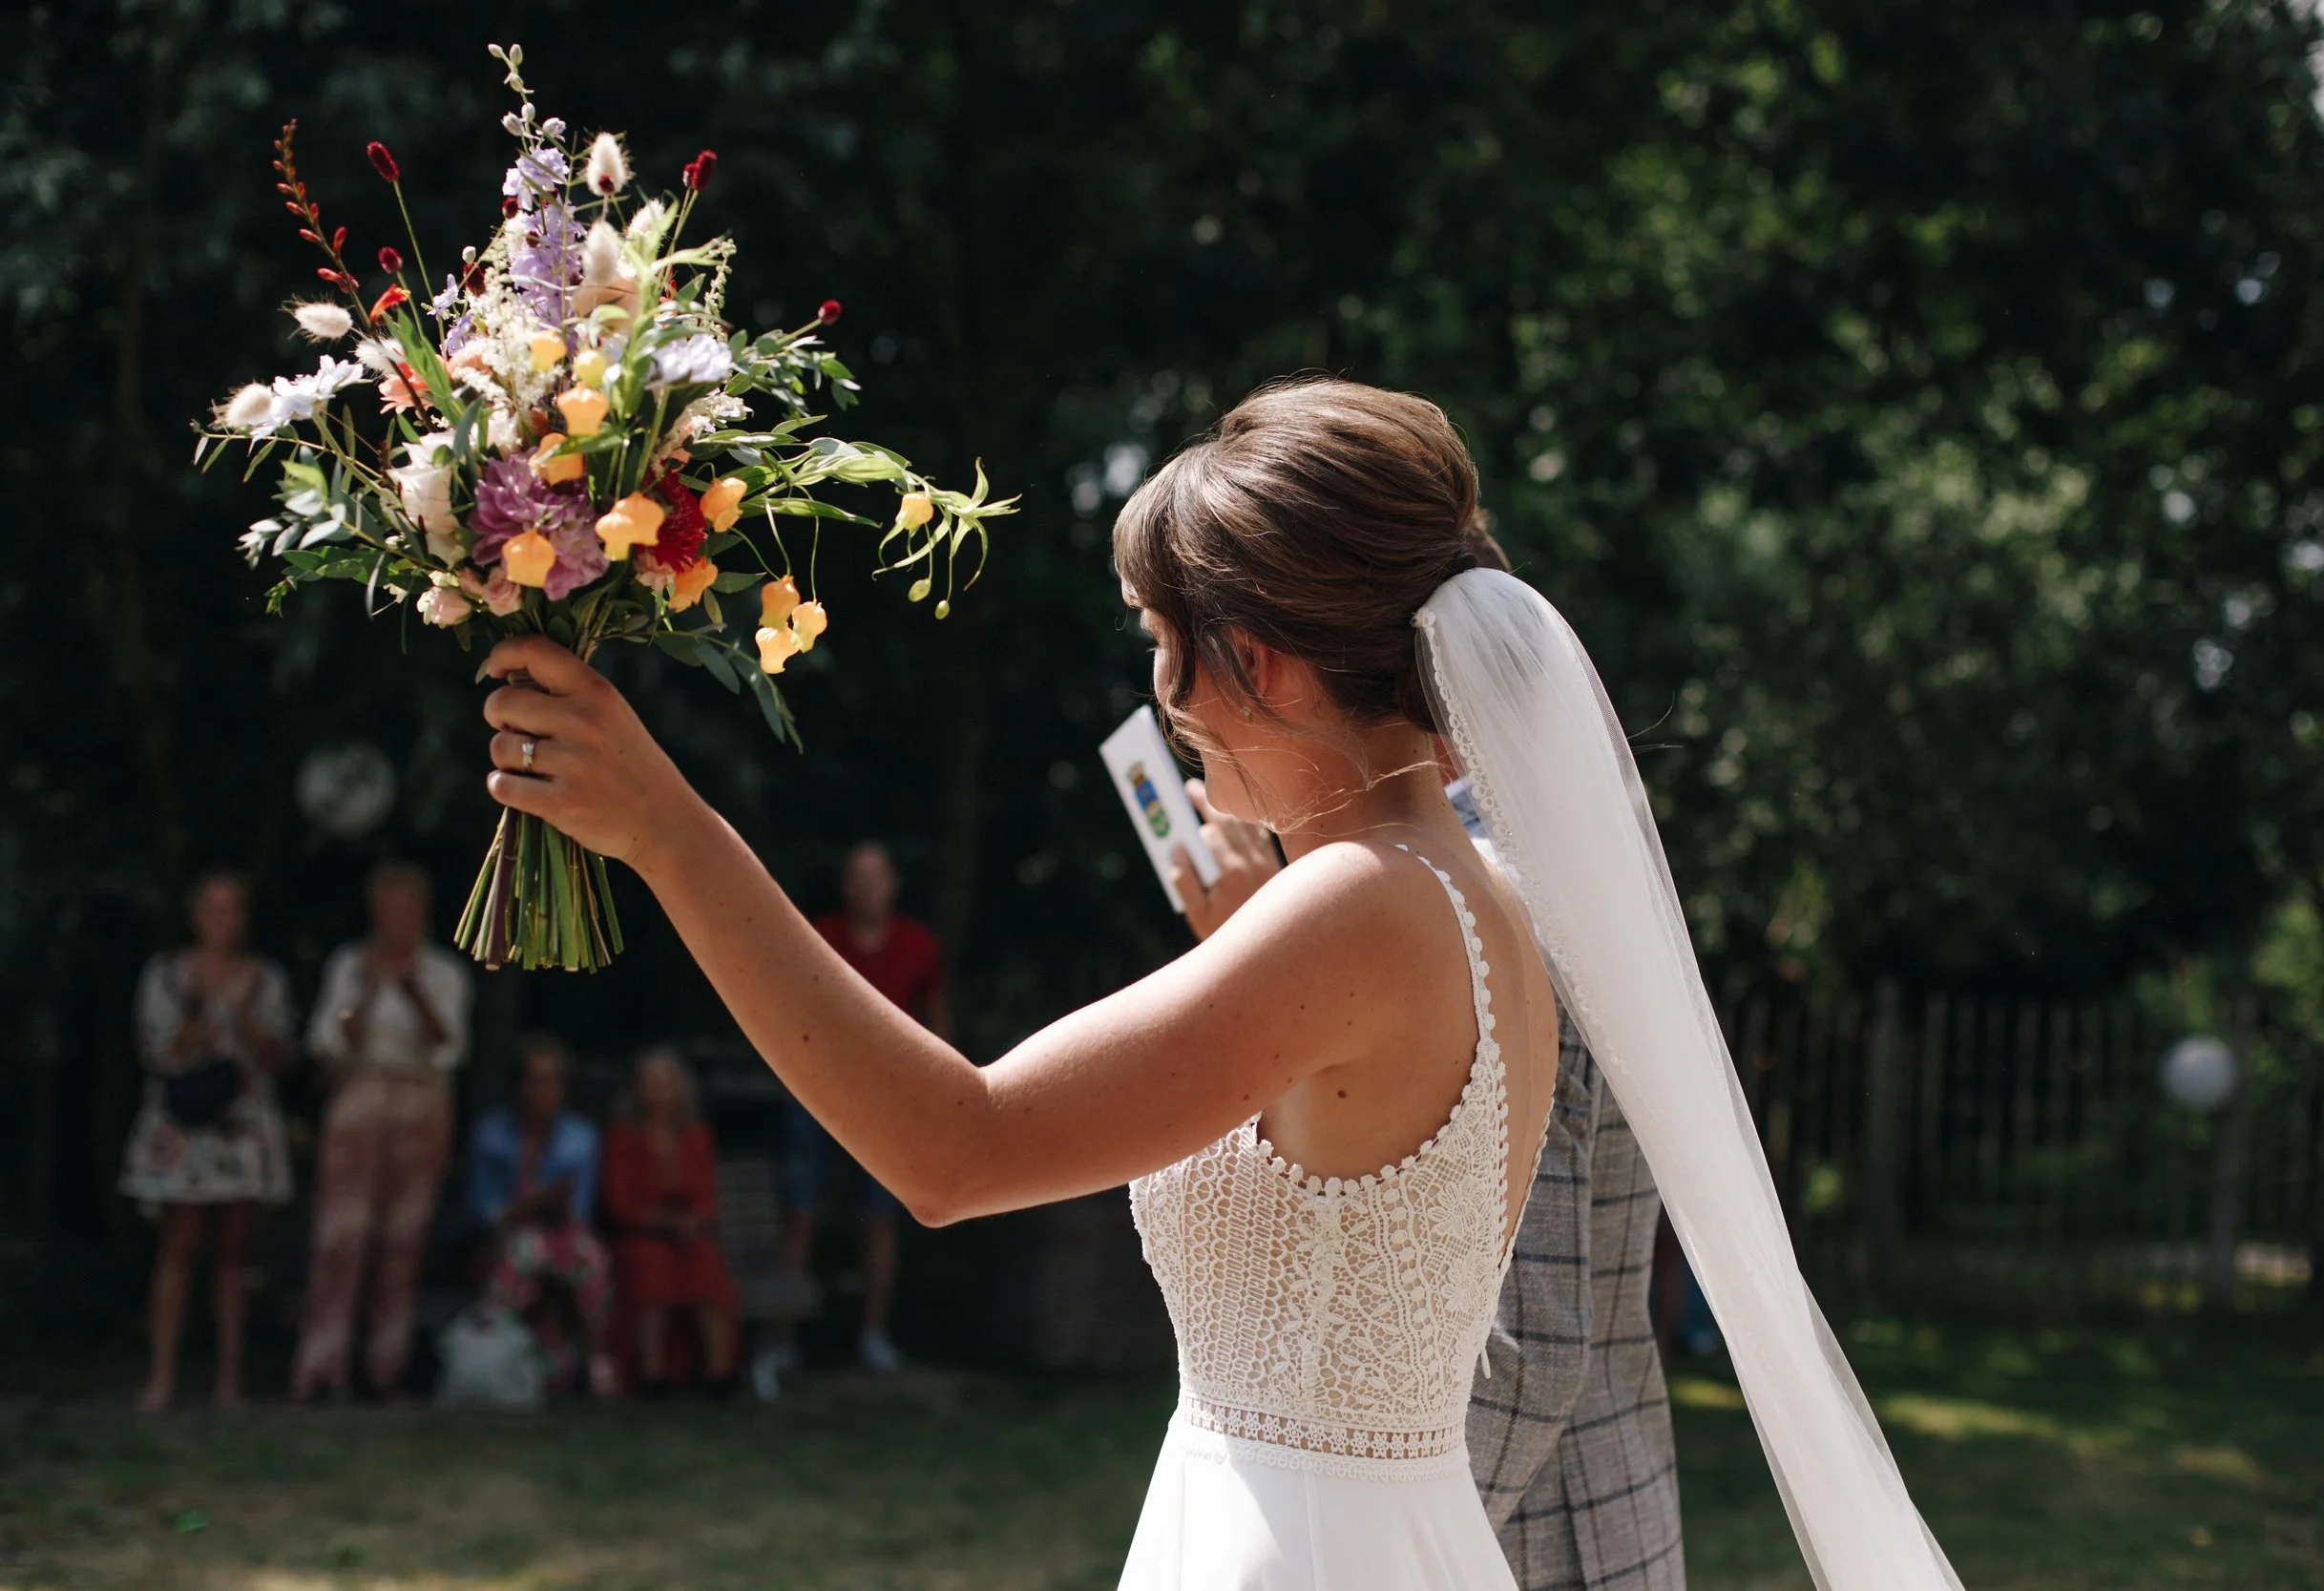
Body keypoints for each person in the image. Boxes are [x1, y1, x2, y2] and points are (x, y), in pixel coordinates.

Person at [476, 377, 1963, 1591]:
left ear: (1257, 658)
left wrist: (671, 833)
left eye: (1159, 643)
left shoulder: (1356, 909)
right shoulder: (1474, 889)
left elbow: (953, 1145)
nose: (1164, 703)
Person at [1175, 773, 1685, 1590]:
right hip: (1613, 1501)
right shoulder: (1577, 874)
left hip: (1526, 1541)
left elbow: (1527, 1345)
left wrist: (1345, 1560)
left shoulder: (1472, 911)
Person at [292, 860, 474, 1402]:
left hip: (420, 1101)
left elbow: (449, 1045)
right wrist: (368, 990)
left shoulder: (444, 972)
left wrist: (412, 988)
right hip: (361, 1098)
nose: (398, 919)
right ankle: (322, 1370)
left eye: (408, 909)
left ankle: (384, 1369)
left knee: (403, 1239)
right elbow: (330, 1038)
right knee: (341, 1239)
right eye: (388, 909)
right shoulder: (350, 965)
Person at [120, 869, 295, 1413]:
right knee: (177, 1248)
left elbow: (281, 1059)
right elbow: (155, 1050)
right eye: (211, 908)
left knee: (234, 1256)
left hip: (241, 1127)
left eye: (232, 909)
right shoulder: (166, 976)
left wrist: (245, 1021)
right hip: (182, 1127)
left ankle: (229, 1382)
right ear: (195, 915)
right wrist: (196, 1015)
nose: (221, 919)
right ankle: (163, 1378)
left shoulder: (266, 979)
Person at [778, 841, 948, 1373]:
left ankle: (873, 1336)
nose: (864, 887)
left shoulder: (919, 945)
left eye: (874, 878)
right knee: (802, 1212)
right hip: (818, 1094)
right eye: (855, 877)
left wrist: (939, 1087)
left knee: (880, 1218)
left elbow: (936, 1022)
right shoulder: (819, 936)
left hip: (891, 1103)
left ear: (892, 885)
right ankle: (783, 1339)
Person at [464, 1034, 618, 1395]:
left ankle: (598, 1360)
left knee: (590, 1258)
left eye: (553, 1080)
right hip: (504, 1238)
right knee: (525, 1253)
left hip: (562, 1235)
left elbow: (579, 1211)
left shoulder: (580, 1137)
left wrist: (550, 1206)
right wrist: (528, 1207)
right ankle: (494, 1357)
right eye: (536, 1080)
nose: (545, 1091)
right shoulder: (493, 1133)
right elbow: (481, 1208)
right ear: (518, 1086)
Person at [603, 1046, 740, 1394]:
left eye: (665, 1081)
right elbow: (618, 1204)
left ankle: (718, 1373)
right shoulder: (623, 1137)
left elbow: (707, 1198)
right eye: (650, 1081)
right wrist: (664, 1222)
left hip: (688, 1235)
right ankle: (653, 1375)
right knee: (650, 1267)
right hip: (640, 1234)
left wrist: (691, 1221)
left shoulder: (696, 1137)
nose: (658, 1089)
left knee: (706, 1268)